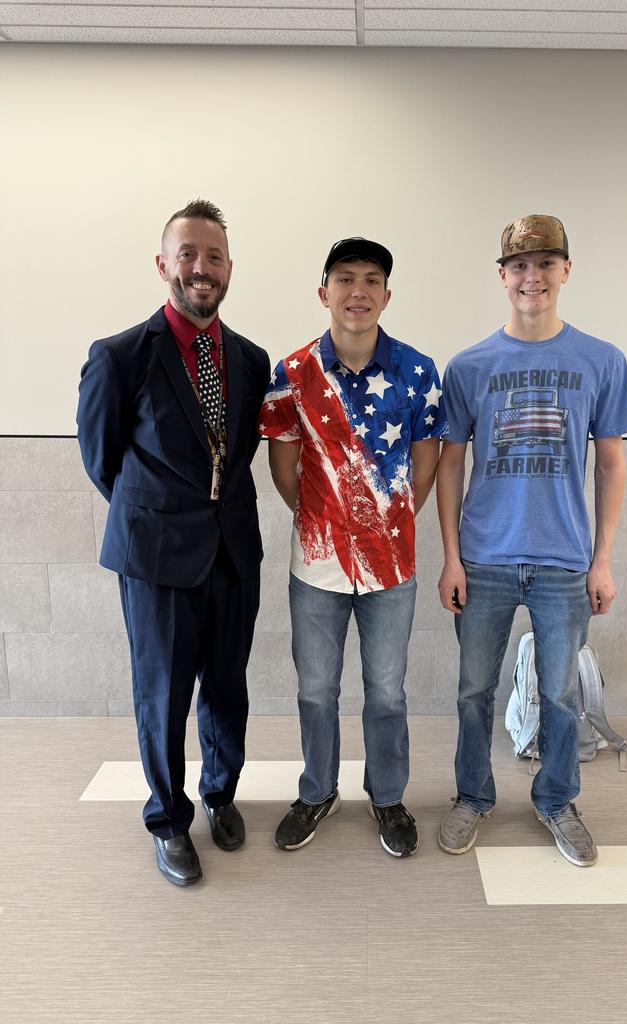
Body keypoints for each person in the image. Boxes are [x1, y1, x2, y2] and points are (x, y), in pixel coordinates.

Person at [77, 199, 270, 886]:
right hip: (156, 556)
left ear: (229, 268)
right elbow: (101, 461)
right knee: (162, 693)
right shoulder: (119, 356)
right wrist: (157, 516)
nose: (201, 267)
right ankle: (168, 819)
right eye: (187, 254)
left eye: (213, 256)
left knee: (227, 686)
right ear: (164, 264)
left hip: (232, 551)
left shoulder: (251, 360)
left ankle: (220, 793)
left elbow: (237, 454)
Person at [436, 214, 627, 866]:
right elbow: (449, 465)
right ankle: (472, 796)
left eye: (546, 263)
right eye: (519, 265)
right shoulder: (469, 366)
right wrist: (450, 558)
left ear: (566, 270)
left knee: (559, 695)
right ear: (503, 276)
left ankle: (556, 800)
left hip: (564, 563)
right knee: (473, 692)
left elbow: (611, 465)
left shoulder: (602, 360)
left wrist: (602, 560)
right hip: (484, 559)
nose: (533, 276)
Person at [260, 237, 446, 857]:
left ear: (387, 296)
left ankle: (387, 796)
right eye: (345, 278)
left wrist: (385, 527)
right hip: (316, 566)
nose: (358, 291)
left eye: (371, 280)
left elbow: (426, 462)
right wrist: (329, 525)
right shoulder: (292, 374)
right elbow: (283, 469)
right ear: (324, 293)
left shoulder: (418, 371)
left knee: (386, 692)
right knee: (316, 689)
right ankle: (317, 790)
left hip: (392, 567)